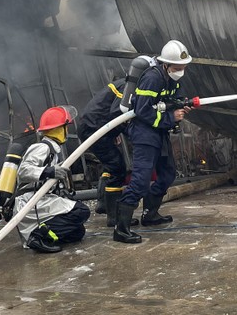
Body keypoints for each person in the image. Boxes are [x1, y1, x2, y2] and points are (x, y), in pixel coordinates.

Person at [114, 39, 193, 245]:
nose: (181, 71)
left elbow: (169, 100)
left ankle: (150, 214)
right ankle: (121, 228)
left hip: (159, 134)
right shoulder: (152, 78)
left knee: (167, 174)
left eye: (184, 67)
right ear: (165, 64)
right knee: (140, 181)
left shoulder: (172, 79)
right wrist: (170, 118)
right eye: (177, 68)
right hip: (144, 135)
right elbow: (142, 111)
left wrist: (181, 105)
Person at [12, 106, 90, 253]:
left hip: (40, 201)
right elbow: (23, 171)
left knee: (78, 232)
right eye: (65, 127)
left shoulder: (53, 150)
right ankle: (36, 236)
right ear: (60, 129)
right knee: (81, 211)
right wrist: (50, 171)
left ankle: (46, 235)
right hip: (31, 203)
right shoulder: (42, 147)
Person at [76, 76, 130, 227]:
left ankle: (103, 204)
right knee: (117, 169)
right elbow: (117, 113)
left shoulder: (123, 84)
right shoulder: (127, 88)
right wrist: (129, 131)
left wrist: (114, 132)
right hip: (94, 128)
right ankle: (114, 217)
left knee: (110, 165)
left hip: (94, 126)